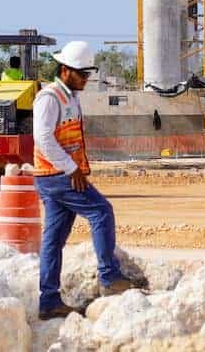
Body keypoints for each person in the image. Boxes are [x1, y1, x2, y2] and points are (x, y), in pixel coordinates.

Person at [32, 41, 132, 320]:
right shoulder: (49, 98)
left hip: (54, 175)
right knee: (101, 211)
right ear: (65, 71)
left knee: (53, 240)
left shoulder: (70, 97)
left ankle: (49, 301)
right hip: (58, 175)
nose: (86, 79)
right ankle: (109, 277)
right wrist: (70, 168)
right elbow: (43, 138)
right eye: (82, 74)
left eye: (88, 74)